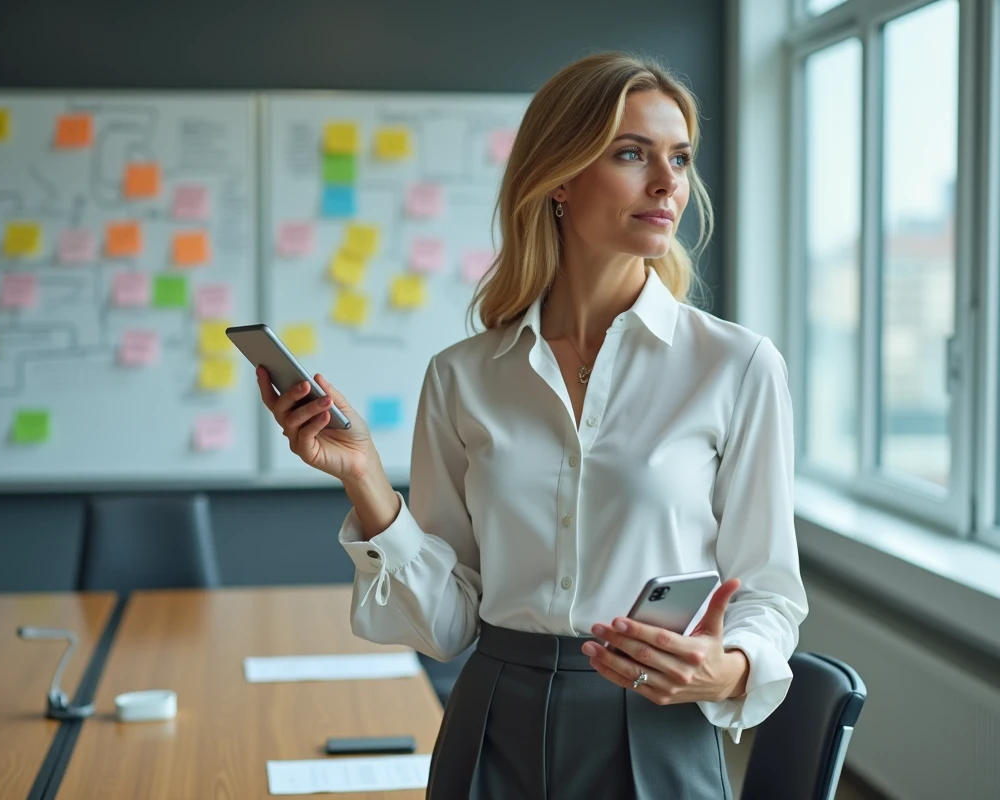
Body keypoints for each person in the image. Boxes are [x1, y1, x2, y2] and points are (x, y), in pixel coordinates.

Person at [256, 51, 807, 800]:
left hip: (654, 721)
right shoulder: (463, 376)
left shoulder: (737, 367)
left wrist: (732, 666)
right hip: (493, 721)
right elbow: (448, 625)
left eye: (679, 157)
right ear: (559, 178)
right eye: (631, 153)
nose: (667, 182)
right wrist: (363, 478)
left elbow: (769, 593)